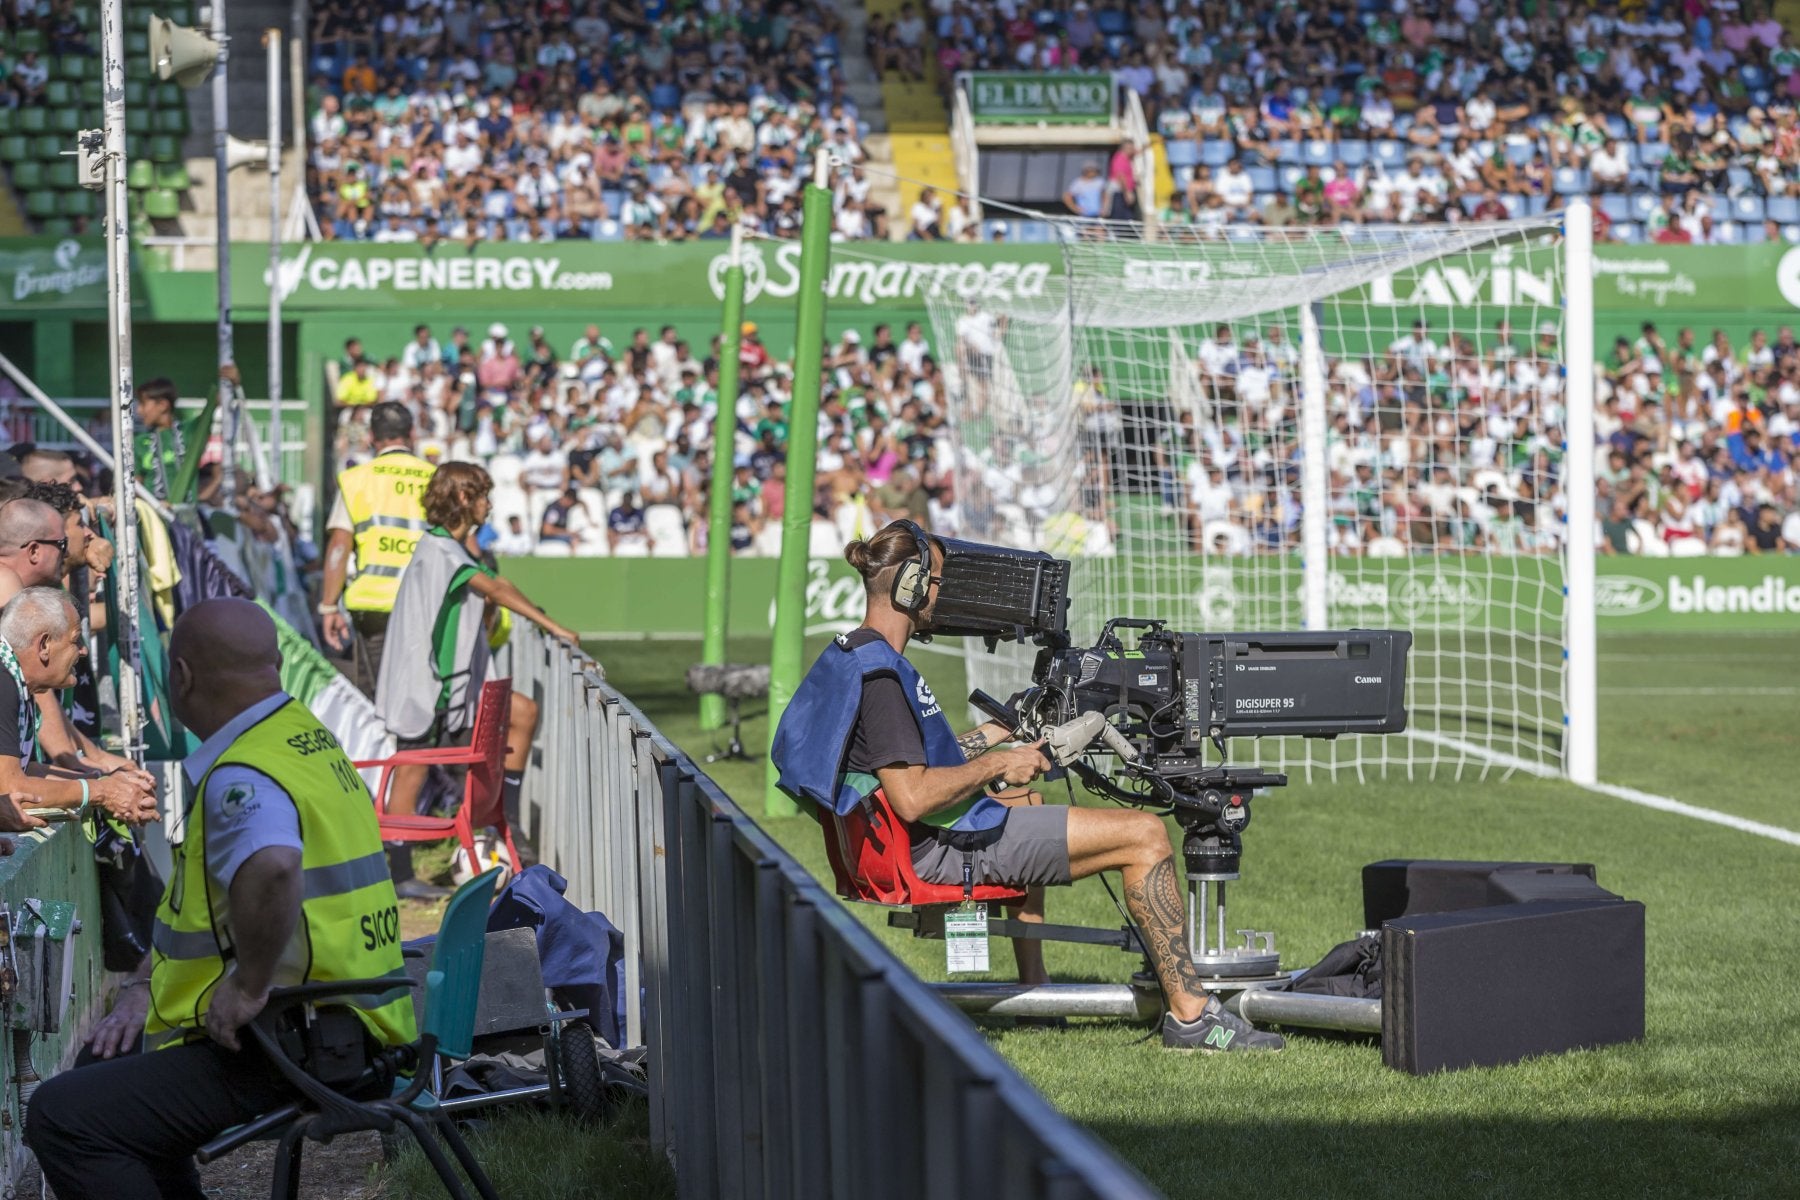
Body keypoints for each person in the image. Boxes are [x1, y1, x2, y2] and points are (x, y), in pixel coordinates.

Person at [772, 522, 1282, 1051]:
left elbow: (910, 765)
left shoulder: (856, 655)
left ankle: (1034, 992)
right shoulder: (883, 679)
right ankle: (1192, 1016)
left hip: (921, 842)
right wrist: (999, 765)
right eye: (940, 583)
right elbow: (914, 796)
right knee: (1145, 834)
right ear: (912, 584)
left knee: (1029, 798)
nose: (941, 597)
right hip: (940, 853)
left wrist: (996, 734)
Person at [26, 599, 418, 1199]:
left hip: (289, 1042)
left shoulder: (243, 773)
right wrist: (139, 991)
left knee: (63, 1116)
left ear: (181, 676)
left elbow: (275, 868)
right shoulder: (306, 737)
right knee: (101, 1074)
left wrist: (249, 986)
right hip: (347, 1025)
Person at [374, 463, 578, 897]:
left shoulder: (451, 548)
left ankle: (505, 829)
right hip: (425, 687)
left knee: (521, 712)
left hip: (451, 688)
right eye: (484, 495)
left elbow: (498, 584)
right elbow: (497, 591)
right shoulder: (441, 551)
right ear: (464, 499)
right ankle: (399, 873)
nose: (490, 504)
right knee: (410, 769)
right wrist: (555, 627)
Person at [0, 588, 157, 827]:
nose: (83, 650)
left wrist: (106, 782)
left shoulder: (15, 678)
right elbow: (11, 792)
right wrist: (99, 792)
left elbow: (25, 770)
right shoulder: (3, 681)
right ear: (44, 645)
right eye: (75, 640)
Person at [318, 401, 435, 697]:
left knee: (377, 698)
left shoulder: (357, 480)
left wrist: (329, 606)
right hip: (427, 604)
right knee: (422, 697)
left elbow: (339, 546)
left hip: (374, 607)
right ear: (411, 434)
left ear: (371, 437)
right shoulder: (436, 479)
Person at [133, 366, 230, 504]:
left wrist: (231, 380)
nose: (139, 410)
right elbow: (135, 486)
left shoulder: (190, 432)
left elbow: (217, 399)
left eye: (143, 404)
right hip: (152, 520)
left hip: (186, 519)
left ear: (163, 405)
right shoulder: (138, 442)